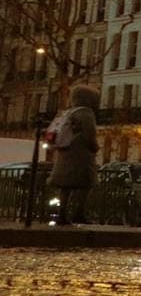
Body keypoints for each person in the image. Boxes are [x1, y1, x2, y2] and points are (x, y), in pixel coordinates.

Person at [46, 85, 100, 225]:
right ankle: (79, 213)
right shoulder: (86, 114)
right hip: (81, 156)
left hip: (64, 154)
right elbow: (90, 135)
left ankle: (62, 214)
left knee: (65, 187)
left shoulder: (69, 113)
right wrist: (94, 147)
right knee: (85, 184)